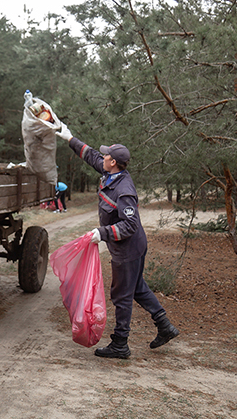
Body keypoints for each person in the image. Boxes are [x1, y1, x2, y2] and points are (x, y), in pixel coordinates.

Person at [56, 122, 179, 359]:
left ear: (113, 162)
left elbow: (129, 225)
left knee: (121, 295)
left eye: (106, 155)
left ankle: (120, 344)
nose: (102, 157)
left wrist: (101, 233)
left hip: (128, 250)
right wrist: (69, 138)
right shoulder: (111, 173)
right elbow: (92, 155)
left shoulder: (124, 189)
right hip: (132, 247)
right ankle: (165, 326)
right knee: (137, 287)